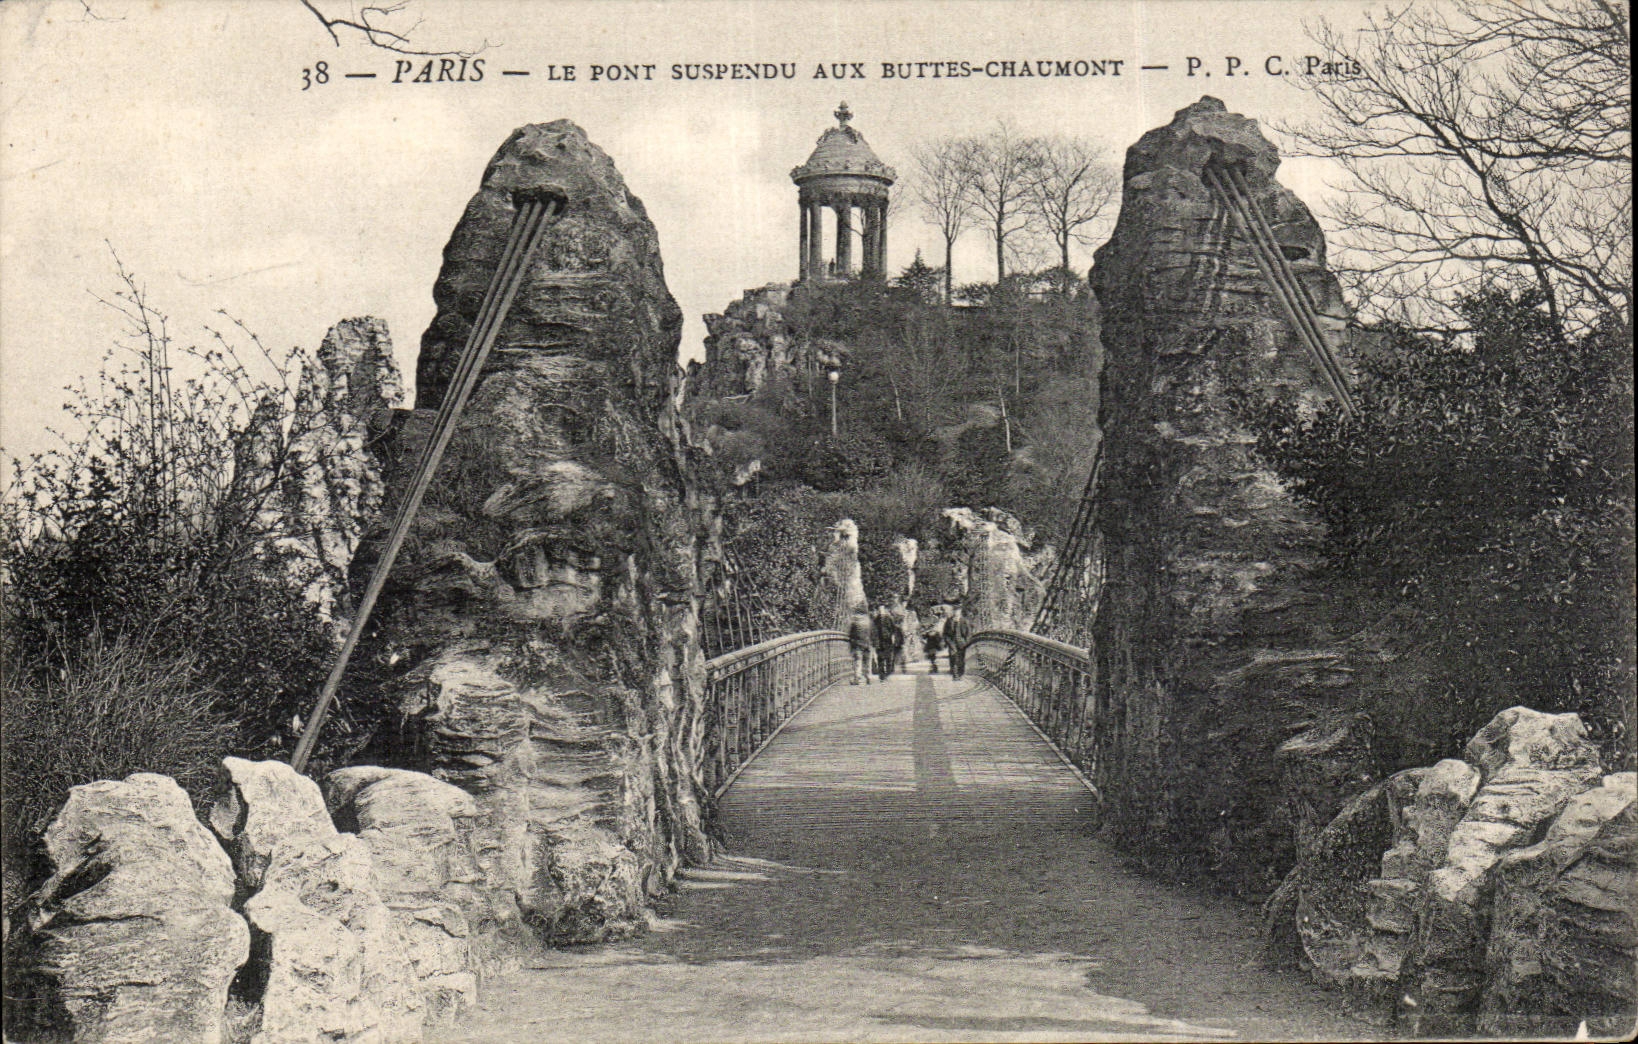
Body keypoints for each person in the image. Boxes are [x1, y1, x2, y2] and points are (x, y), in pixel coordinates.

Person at [873, 604, 903, 679]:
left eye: (882, 609)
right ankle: (882, 674)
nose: (881, 611)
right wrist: (874, 640)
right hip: (879, 641)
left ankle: (888, 672)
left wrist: (893, 637)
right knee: (880, 657)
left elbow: (893, 629)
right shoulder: (876, 619)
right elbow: (874, 630)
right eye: (880, 610)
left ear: (884, 610)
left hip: (888, 640)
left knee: (888, 656)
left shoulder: (889, 618)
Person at [943, 606, 973, 680]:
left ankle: (960, 673)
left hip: (962, 643)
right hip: (952, 642)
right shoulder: (949, 621)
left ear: (960, 612)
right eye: (955, 611)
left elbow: (969, 633)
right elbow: (945, 633)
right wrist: (948, 642)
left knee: (961, 659)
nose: (956, 613)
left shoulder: (965, 621)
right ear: (953, 612)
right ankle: (955, 675)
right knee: (953, 657)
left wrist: (966, 642)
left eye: (958, 611)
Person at [846, 609, 875, 685]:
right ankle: (868, 677)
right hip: (867, 644)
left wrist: (851, 643)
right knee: (867, 661)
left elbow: (851, 634)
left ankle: (857, 679)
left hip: (857, 644)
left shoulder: (854, 623)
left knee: (858, 661)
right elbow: (873, 633)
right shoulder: (869, 622)